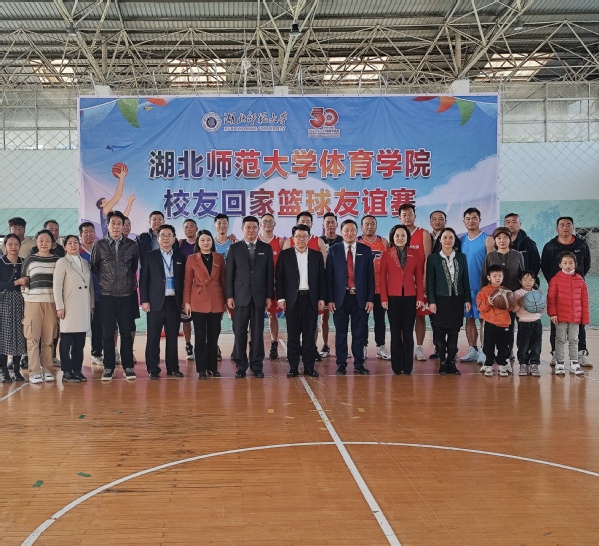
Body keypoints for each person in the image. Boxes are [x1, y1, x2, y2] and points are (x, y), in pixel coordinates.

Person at [91, 210, 140, 381]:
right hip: (107, 295)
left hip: (126, 295)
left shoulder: (132, 245)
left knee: (126, 332)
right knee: (107, 333)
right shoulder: (99, 245)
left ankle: (128, 366)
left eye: (120, 224)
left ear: (123, 226)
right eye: (113, 223)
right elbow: (95, 267)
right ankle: (108, 367)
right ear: (107, 225)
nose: (116, 227)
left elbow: (133, 267)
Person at [226, 215, 274, 378]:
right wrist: (229, 296)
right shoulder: (235, 248)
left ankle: (257, 365)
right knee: (240, 332)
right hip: (240, 296)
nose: (251, 230)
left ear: (258, 229)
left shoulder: (265, 248)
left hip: (259, 296)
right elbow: (229, 274)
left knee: (258, 333)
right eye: (248, 227)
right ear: (242, 229)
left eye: (254, 227)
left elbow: (269, 274)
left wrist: (269, 296)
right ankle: (240, 366)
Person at [541, 216, 592, 367]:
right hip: (558, 291)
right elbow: (545, 267)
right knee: (556, 321)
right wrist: (556, 282)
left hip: (576, 291)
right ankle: (556, 354)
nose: (565, 227)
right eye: (562, 225)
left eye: (568, 224)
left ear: (573, 227)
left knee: (578, 322)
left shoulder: (582, 245)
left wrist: (576, 280)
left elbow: (586, 265)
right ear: (557, 228)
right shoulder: (549, 246)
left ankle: (581, 353)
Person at [276, 225, 325, 378]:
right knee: (293, 335)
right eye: (298, 236)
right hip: (292, 300)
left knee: (309, 335)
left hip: (311, 299)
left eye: (304, 236)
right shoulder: (285, 255)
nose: (301, 239)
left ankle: (309, 367)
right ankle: (293, 367)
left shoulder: (317, 256)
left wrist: (321, 298)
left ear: (309, 238)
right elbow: (279, 278)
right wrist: (281, 298)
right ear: (293, 238)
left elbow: (322, 279)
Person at [326, 219, 374, 376]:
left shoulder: (366, 250)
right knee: (341, 333)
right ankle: (341, 364)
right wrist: (330, 299)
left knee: (358, 333)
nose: (349, 233)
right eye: (346, 230)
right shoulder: (334, 250)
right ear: (341, 232)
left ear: (357, 232)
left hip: (359, 298)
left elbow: (370, 277)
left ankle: (359, 363)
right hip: (340, 299)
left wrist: (370, 299)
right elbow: (329, 277)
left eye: (352, 230)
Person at [140, 224, 186, 380]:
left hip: (174, 302)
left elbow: (184, 281)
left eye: (169, 235)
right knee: (153, 337)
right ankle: (153, 369)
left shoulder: (180, 257)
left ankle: (173, 368)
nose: (166, 238)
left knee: (172, 337)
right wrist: (144, 300)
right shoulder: (149, 256)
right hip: (155, 302)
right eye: (162, 235)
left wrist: (184, 301)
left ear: (174, 239)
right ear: (158, 238)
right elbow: (143, 280)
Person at [426, 227, 472, 376]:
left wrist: (467, 299)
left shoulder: (461, 257)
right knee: (440, 335)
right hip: (440, 301)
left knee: (454, 334)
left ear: (454, 240)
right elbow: (430, 282)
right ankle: (442, 362)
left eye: (450, 237)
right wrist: (431, 301)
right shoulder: (433, 258)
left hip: (457, 300)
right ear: (440, 240)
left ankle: (451, 362)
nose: (447, 240)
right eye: (444, 237)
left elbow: (465, 280)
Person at [379, 225, 424, 375]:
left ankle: (408, 366)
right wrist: (384, 298)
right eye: (397, 235)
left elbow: (419, 277)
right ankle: (397, 366)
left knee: (408, 331)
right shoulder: (386, 254)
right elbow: (382, 278)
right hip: (392, 297)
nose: (400, 238)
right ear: (392, 237)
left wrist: (420, 297)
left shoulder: (415, 253)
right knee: (395, 332)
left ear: (407, 237)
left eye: (403, 235)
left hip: (410, 297)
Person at [184, 229, 226, 379]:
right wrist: (186, 302)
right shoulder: (191, 258)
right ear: (198, 242)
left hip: (216, 300)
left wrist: (225, 301)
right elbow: (187, 281)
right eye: (202, 240)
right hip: (198, 300)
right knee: (200, 336)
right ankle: (201, 369)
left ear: (212, 242)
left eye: (208, 240)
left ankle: (212, 368)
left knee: (214, 336)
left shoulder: (219, 258)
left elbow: (223, 280)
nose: (205, 242)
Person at [53, 235, 94, 382]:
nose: (73, 245)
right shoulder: (62, 262)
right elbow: (57, 286)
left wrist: (91, 305)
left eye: (75, 242)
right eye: (69, 243)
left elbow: (90, 286)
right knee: (66, 341)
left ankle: (77, 369)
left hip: (83, 306)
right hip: (69, 307)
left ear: (79, 245)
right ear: (65, 246)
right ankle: (67, 371)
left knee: (80, 342)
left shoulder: (85, 262)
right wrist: (60, 307)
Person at [21, 229, 61, 384]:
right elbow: (24, 282)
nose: (44, 243)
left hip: (51, 303)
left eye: (47, 241)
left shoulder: (58, 260)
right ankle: (34, 371)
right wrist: (28, 297)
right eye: (41, 240)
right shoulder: (30, 260)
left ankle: (47, 369)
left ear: (52, 243)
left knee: (49, 339)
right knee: (32, 338)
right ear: (36, 242)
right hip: (33, 303)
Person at [459, 207, 495, 364]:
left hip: (482, 287)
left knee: (484, 319)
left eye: (474, 218)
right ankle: (472, 349)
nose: (471, 221)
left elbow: (492, 265)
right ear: (464, 221)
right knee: (469, 319)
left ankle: (485, 350)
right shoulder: (461, 240)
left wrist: (490, 286)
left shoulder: (487, 239)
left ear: (480, 220)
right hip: (466, 287)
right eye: (468, 218)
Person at [547, 251, 590, 377]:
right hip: (560, 317)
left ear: (575, 264)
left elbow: (584, 301)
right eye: (565, 263)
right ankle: (559, 362)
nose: (568, 265)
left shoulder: (580, 280)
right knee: (560, 339)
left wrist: (585, 318)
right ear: (560, 264)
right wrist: (553, 314)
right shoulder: (555, 280)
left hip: (575, 318)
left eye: (571, 263)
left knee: (574, 340)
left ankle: (574, 363)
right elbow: (551, 299)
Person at [397, 204, 431, 362]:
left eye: (410, 214)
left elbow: (428, 259)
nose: (407, 217)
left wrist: (424, 281)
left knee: (419, 316)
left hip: (419, 282)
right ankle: (403, 347)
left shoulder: (423, 234)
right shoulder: (397, 234)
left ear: (414, 216)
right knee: (402, 317)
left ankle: (419, 347)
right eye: (404, 215)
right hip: (402, 284)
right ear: (399, 217)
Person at [428, 210, 461, 359]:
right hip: (435, 286)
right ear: (430, 222)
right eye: (434, 219)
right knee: (435, 319)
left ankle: (452, 351)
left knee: (452, 322)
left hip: (452, 289)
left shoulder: (453, 238)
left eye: (441, 219)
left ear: (445, 221)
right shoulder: (427, 237)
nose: (437, 221)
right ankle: (438, 348)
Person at [358, 215, 391, 361]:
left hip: (380, 288)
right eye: (366, 224)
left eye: (372, 224)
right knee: (362, 319)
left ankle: (381, 347)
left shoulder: (383, 242)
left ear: (376, 226)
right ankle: (362, 346)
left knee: (380, 319)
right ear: (361, 227)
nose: (369, 226)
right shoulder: (357, 242)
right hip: (363, 289)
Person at [476, 265, 514, 377]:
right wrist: (488, 303)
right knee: (488, 346)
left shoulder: (506, 291)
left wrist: (510, 302)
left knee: (504, 346)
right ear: (489, 277)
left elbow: (510, 308)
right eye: (494, 276)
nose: (497, 278)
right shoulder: (484, 291)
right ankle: (488, 364)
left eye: (500, 276)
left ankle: (503, 364)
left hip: (504, 324)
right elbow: (480, 308)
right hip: (490, 323)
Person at [0, 234, 27, 383]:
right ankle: (4, 371)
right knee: (3, 337)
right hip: (4, 302)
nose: (13, 247)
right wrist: (16, 283)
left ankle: (17, 370)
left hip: (21, 302)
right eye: (10, 244)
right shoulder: (1, 262)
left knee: (19, 336)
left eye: (16, 244)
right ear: (5, 246)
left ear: (20, 245)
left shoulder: (24, 262)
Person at [258, 213, 285, 360]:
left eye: (270, 221)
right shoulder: (255, 240)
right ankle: (254, 344)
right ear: (260, 224)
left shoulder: (279, 242)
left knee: (272, 314)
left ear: (274, 224)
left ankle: (274, 344)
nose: (267, 223)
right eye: (265, 221)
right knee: (255, 316)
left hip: (274, 285)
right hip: (258, 285)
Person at [318, 212, 343, 358]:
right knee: (324, 317)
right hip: (324, 282)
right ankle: (325, 345)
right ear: (323, 225)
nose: (330, 225)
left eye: (332, 222)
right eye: (327, 222)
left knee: (342, 317)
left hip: (339, 283)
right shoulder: (319, 241)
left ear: (337, 224)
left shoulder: (342, 240)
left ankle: (344, 347)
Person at [79, 221, 103, 365]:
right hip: (81, 296)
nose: (89, 234)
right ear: (80, 235)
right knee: (80, 328)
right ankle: (76, 356)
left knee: (98, 326)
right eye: (86, 232)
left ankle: (96, 353)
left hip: (99, 295)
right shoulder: (77, 252)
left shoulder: (100, 249)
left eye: (91, 231)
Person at [512, 271, 545, 377]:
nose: (528, 282)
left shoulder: (538, 293)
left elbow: (542, 310)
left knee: (536, 345)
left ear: (534, 281)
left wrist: (541, 304)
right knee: (523, 345)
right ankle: (523, 364)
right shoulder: (517, 293)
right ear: (520, 281)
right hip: (523, 322)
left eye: (531, 279)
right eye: (525, 279)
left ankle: (534, 364)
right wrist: (518, 304)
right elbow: (513, 310)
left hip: (536, 322)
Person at [95, 163, 135, 236]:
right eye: (104, 201)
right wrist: (121, 178)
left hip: (115, 239)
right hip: (108, 240)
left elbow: (124, 217)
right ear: (101, 205)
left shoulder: (111, 214)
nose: (108, 201)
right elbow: (117, 196)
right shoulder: (104, 210)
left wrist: (129, 205)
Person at [179, 218, 199, 361]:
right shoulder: (180, 244)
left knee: (200, 318)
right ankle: (188, 344)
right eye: (186, 227)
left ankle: (202, 345)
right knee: (186, 318)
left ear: (196, 229)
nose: (189, 229)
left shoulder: (202, 242)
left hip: (200, 288)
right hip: (185, 287)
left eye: (191, 226)